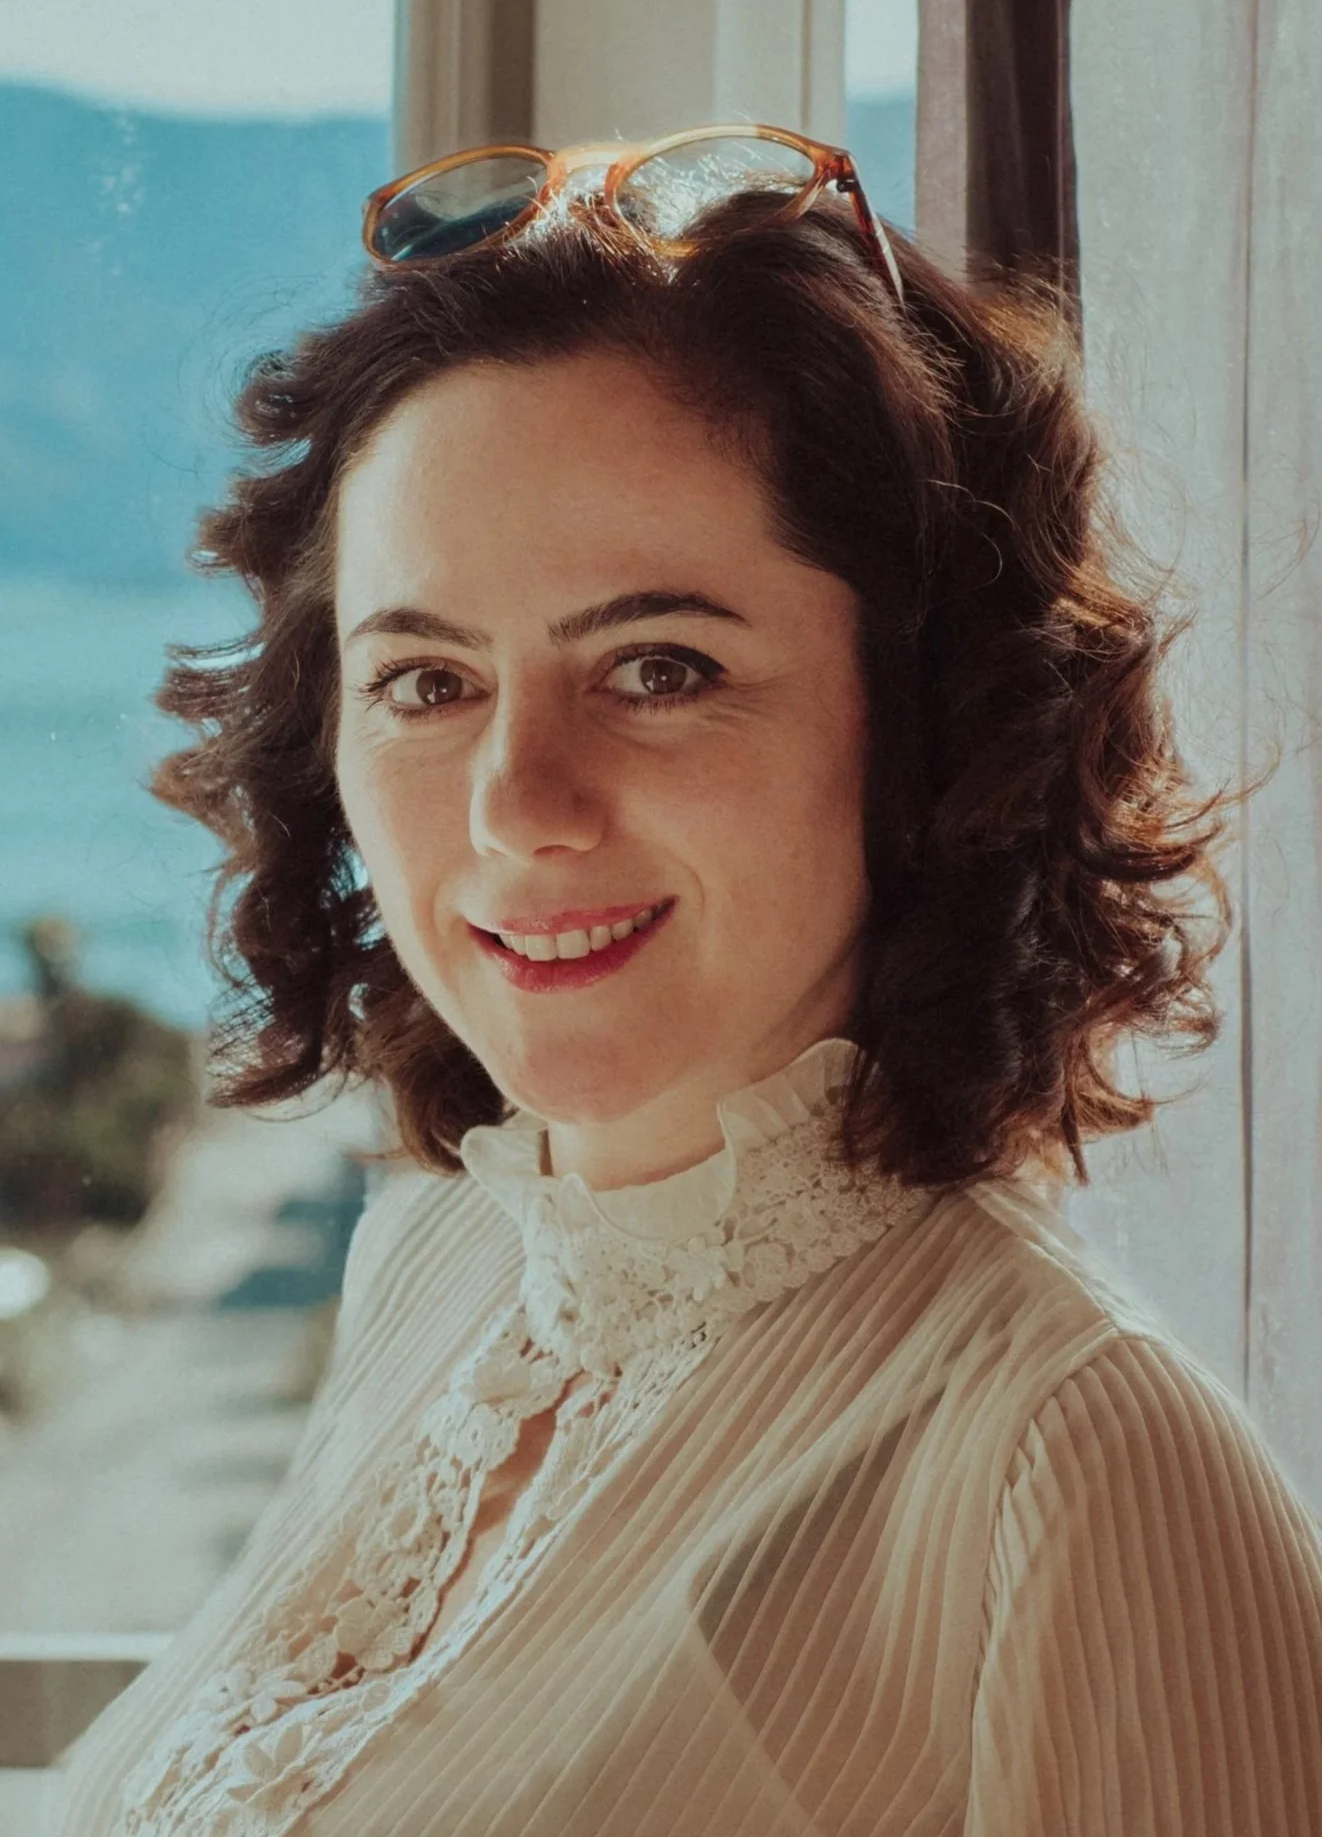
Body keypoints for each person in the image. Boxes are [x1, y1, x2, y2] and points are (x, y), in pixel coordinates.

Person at [53, 129, 1322, 1836]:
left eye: (658, 668)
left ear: (934, 728)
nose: (516, 807)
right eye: (426, 681)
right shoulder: (443, 1258)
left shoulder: (1074, 1465)